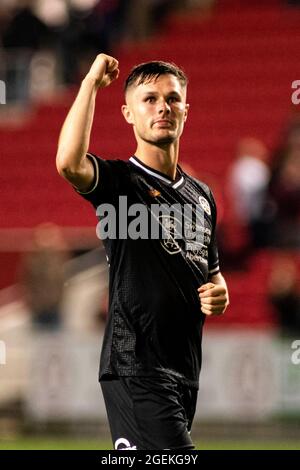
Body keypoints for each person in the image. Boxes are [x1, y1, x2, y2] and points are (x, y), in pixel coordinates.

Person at [56, 54, 229, 450]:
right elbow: (68, 163)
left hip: (184, 370)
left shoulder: (202, 197)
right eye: (149, 99)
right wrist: (89, 85)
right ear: (128, 113)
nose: (163, 107)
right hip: (135, 365)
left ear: (186, 109)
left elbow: (213, 275)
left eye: (172, 98)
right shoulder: (119, 183)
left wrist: (220, 293)